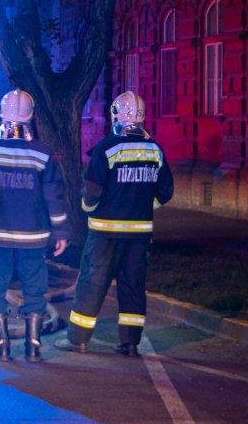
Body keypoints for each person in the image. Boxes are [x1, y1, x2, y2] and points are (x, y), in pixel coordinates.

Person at [55, 91, 173, 356]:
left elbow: (91, 191)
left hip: (105, 234)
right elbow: (165, 192)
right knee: (133, 286)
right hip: (139, 236)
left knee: (92, 284)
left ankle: (78, 340)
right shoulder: (155, 149)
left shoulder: (107, 148)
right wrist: (142, 209)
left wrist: (89, 212)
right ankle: (131, 344)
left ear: (115, 115)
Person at [0, 89, 70, 362]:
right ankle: (33, 347)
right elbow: (54, 197)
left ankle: (2, 344)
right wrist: (61, 232)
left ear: (1, 113)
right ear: (32, 116)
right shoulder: (43, 154)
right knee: (34, 288)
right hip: (33, 237)